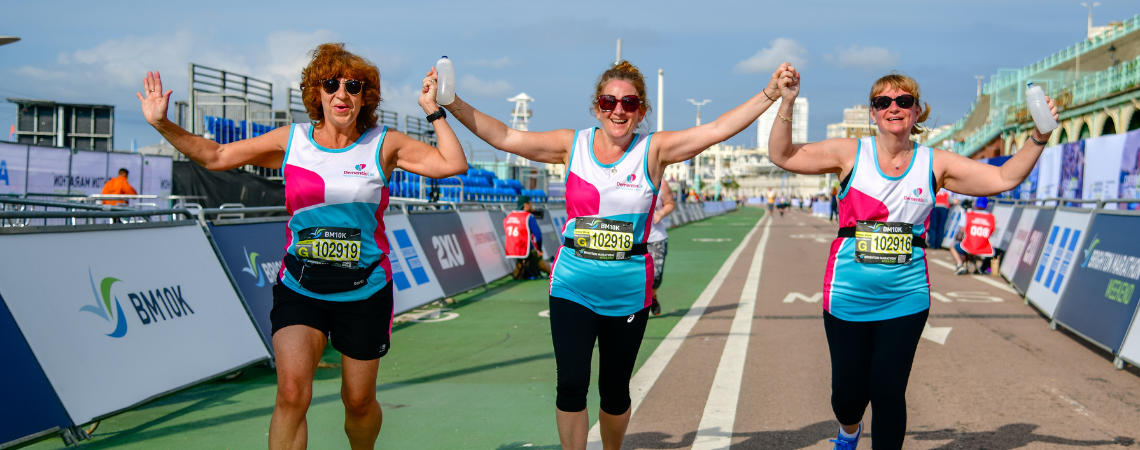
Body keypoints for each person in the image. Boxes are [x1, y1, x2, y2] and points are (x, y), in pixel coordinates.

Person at [437, 59, 794, 450]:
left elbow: (716, 129)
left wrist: (770, 94)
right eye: (608, 101)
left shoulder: (654, 150)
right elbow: (505, 136)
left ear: (641, 110)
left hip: (627, 290)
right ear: (596, 106)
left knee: (614, 391)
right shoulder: (571, 145)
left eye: (629, 103)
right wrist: (451, 102)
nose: (618, 110)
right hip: (572, 284)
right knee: (570, 385)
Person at [137, 43, 467, 450]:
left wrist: (432, 109)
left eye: (353, 86)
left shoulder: (385, 144)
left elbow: (453, 164)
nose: (341, 94)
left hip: (364, 290)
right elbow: (217, 155)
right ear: (318, 93)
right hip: (301, 286)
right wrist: (162, 124)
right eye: (331, 84)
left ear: (366, 97)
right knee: (292, 393)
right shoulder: (291, 140)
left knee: (358, 402)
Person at [768, 71, 1057, 450]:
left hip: (906, 295)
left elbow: (1003, 177)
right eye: (883, 102)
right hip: (847, 293)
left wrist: (1039, 136)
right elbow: (782, 155)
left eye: (903, 101)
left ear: (917, 112)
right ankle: (849, 430)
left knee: (888, 390)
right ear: (872, 113)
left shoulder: (934, 163)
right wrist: (786, 102)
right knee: (848, 396)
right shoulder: (850, 153)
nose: (894, 108)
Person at [505, 195, 551, 279]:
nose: (531, 205)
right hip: (525, 248)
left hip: (512, 248)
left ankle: (519, 276)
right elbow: (538, 235)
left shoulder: (509, 216)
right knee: (539, 260)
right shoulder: (528, 216)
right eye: (530, 203)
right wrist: (539, 250)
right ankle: (552, 274)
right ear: (526, 204)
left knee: (520, 261)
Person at [647, 181, 675, 316]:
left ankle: (652, 297)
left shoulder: (661, 183)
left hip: (656, 238)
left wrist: (661, 213)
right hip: (634, 238)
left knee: (656, 276)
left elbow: (670, 204)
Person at [949, 199, 996, 275]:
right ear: (987, 205)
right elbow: (992, 233)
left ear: (975, 204)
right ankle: (982, 268)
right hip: (984, 248)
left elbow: (961, 231)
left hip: (968, 247)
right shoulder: (991, 217)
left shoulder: (968, 215)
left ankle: (960, 264)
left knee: (953, 245)